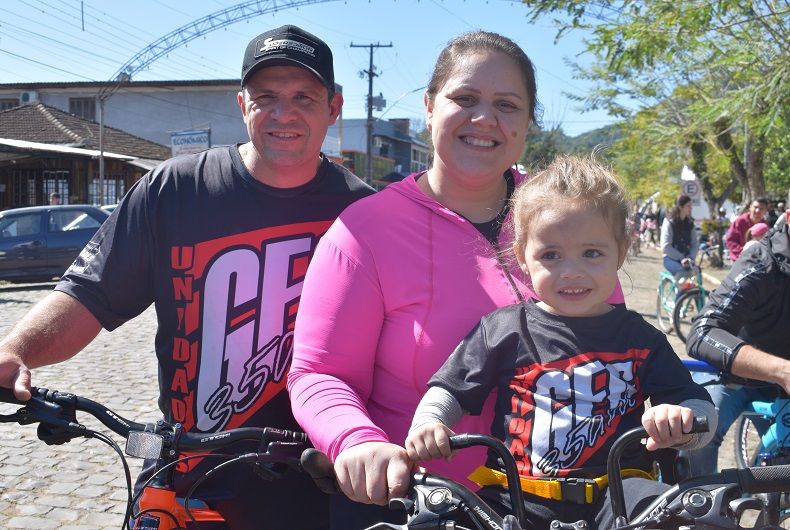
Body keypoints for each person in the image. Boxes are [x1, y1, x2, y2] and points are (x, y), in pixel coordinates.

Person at [0, 24, 374, 529]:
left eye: (303, 97)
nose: (283, 113)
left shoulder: (364, 213)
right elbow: (89, 295)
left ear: (333, 108)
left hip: (319, 480)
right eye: (266, 97)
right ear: (242, 105)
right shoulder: (174, 190)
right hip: (187, 474)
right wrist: (15, 349)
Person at [288, 31, 626, 529]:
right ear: (429, 108)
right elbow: (319, 373)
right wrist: (356, 441)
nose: (484, 119)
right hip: (418, 505)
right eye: (465, 98)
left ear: (527, 123)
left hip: (569, 507)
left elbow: (616, 345)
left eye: (506, 105)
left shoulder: (573, 217)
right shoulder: (364, 231)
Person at [405, 155, 716, 530]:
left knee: (675, 513)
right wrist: (429, 423)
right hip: (514, 495)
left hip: (620, 494)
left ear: (621, 251)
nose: (571, 271)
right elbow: (450, 390)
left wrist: (684, 421)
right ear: (522, 257)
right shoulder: (503, 329)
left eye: (591, 253)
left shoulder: (641, 337)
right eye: (550, 255)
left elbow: (700, 408)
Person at [685, 190, 790, 476]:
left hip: (780, 388)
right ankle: (699, 504)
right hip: (734, 377)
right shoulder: (761, 261)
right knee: (697, 435)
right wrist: (782, 370)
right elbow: (702, 332)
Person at [661, 194, 698, 277]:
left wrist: (691, 257)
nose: (691, 208)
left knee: (697, 272)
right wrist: (681, 257)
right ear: (680, 207)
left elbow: (695, 243)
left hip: (687, 258)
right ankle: (678, 286)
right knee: (682, 273)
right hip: (671, 258)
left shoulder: (690, 224)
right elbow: (666, 246)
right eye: (688, 206)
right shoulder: (669, 223)